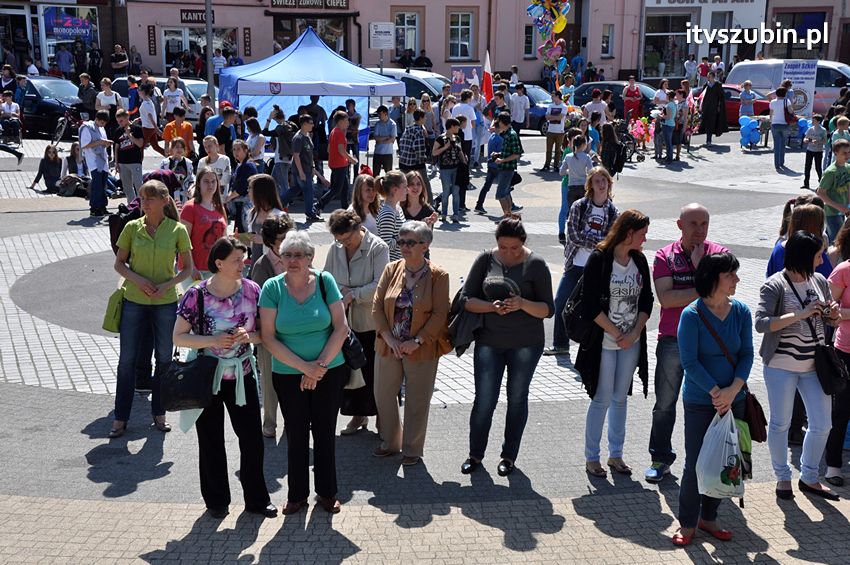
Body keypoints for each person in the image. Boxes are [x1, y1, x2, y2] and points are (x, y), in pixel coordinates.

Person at [172, 236, 276, 519]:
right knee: (210, 439)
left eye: (244, 259)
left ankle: (256, 499)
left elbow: (263, 336)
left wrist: (248, 337)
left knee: (252, 439)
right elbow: (178, 337)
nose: (244, 264)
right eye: (237, 260)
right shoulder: (197, 294)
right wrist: (212, 339)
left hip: (243, 375)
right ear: (218, 263)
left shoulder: (253, 290)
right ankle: (217, 501)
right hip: (209, 376)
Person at [259, 231, 349, 514]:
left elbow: (341, 328)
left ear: (310, 257)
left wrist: (317, 368)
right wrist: (305, 369)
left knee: (325, 432)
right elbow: (269, 337)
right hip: (288, 375)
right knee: (296, 434)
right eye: (287, 254)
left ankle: (327, 492)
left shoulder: (325, 281)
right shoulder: (272, 288)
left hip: (329, 371)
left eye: (299, 255)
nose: (293, 260)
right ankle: (296, 495)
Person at [460, 218, 553, 475]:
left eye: (514, 248)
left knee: (517, 399)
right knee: (484, 400)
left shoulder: (536, 264)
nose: (509, 253)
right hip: (489, 341)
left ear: (523, 243)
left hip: (526, 344)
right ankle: (475, 454)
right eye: (503, 247)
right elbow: (466, 299)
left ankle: (509, 456)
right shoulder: (485, 260)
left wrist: (522, 304)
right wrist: (492, 307)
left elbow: (548, 309)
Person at [645, 204, 729, 483]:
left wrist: (698, 267)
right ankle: (660, 458)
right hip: (673, 339)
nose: (699, 229)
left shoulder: (719, 254)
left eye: (704, 223)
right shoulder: (664, 256)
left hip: (710, 342)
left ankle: (708, 460)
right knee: (665, 402)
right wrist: (705, 287)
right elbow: (666, 299)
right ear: (679, 225)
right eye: (693, 223)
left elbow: (725, 295)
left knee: (711, 401)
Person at [755, 231, 841, 502]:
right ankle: (782, 477)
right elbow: (761, 323)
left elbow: (826, 321)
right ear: (804, 256)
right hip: (780, 364)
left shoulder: (819, 281)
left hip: (814, 365)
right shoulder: (774, 285)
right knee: (780, 423)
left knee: (822, 424)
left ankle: (809, 476)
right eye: (818, 255)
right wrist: (800, 314)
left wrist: (833, 317)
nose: (822, 260)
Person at [672, 252, 750, 546]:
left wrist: (733, 391)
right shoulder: (691, 315)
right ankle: (688, 523)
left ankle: (710, 517)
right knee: (696, 462)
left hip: (735, 398)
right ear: (713, 278)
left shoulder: (741, 311)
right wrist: (717, 393)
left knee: (726, 460)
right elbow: (689, 362)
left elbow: (746, 354)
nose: (737, 280)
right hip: (700, 400)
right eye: (731, 275)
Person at [109, 180, 192, 438]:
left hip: (165, 302)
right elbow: (119, 264)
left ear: (164, 201)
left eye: (150, 198)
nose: (144, 203)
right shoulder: (132, 228)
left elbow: (188, 268)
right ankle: (120, 417)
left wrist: (169, 284)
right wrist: (138, 280)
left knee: (164, 360)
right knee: (127, 361)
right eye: (142, 198)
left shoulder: (177, 230)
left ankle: (160, 412)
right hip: (134, 300)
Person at [574, 210, 653, 478]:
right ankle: (591, 457)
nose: (645, 238)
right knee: (602, 397)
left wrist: (634, 333)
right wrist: (617, 332)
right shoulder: (600, 259)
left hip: (632, 342)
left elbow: (647, 301)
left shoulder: (639, 261)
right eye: (642, 233)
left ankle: (616, 454)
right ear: (628, 232)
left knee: (621, 398)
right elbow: (589, 305)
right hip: (605, 341)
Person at [372, 220, 451, 465]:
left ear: (425, 246)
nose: (404, 246)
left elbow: (440, 314)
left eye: (410, 242)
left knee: (417, 400)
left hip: (422, 348)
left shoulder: (439, 275)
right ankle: (391, 441)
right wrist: (388, 337)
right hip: (389, 344)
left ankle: (412, 449)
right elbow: (377, 307)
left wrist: (417, 341)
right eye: (401, 241)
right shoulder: (391, 269)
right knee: (383, 395)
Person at [325, 210, 389, 434]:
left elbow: (381, 284)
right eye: (339, 239)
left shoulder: (378, 247)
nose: (344, 243)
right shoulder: (336, 248)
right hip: (344, 320)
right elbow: (327, 277)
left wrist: (353, 294)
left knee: (374, 373)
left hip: (370, 322)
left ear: (358, 228)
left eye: (348, 238)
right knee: (350, 371)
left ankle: (384, 419)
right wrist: (337, 294)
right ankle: (357, 416)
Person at [547, 167, 619, 357]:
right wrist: (597, 242)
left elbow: (611, 240)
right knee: (561, 301)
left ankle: (592, 345)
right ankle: (561, 344)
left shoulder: (612, 211)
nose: (601, 184)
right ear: (590, 185)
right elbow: (573, 236)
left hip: (598, 267)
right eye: (597, 181)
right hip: (576, 264)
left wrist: (592, 240)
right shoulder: (580, 206)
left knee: (596, 307)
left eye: (604, 181)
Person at [249, 215, 295, 438]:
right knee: (269, 380)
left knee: (292, 380)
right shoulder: (262, 265)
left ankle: (292, 419)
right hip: (270, 334)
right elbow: (256, 306)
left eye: (290, 237)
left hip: (295, 333)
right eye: (282, 239)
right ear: (270, 242)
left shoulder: (298, 258)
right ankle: (269, 422)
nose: (287, 242)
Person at [825, 236, 850, 486]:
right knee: (841, 410)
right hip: (846, 350)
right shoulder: (843, 270)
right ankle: (833, 465)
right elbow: (829, 311)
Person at [180, 168, 228, 283]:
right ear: (198, 184)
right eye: (206, 181)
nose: (210, 185)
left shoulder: (220, 208)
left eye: (213, 181)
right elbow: (183, 241)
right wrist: (191, 267)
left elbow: (224, 239)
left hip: (214, 268)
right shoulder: (190, 207)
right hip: (192, 269)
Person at [280, 114, 329, 223]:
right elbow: (296, 156)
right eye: (311, 123)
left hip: (307, 169)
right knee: (309, 190)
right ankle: (310, 213)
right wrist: (301, 172)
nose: (313, 125)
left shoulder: (307, 136)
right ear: (304, 124)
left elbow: (309, 155)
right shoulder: (298, 138)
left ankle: (278, 204)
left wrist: (313, 168)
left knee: (296, 189)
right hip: (301, 170)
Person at [766, 202, 832, 278]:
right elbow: (828, 281)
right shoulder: (815, 253)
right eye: (821, 225)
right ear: (816, 227)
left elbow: (769, 276)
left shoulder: (778, 248)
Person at [318, 110, 357, 212]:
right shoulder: (339, 133)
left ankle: (345, 208)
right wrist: (351, 159)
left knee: (344, 188)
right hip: (339, 165)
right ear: (341, 121)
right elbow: (341, 150)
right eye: (347, 121)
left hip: (337, 164)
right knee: (336, 189)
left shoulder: (333, 131)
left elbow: (329, 149)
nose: (348, 123)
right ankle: (319, 204)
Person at [816, 138, 850, 242]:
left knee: (831, 238)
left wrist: (847, 205)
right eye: (844, 153)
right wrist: (840, 207)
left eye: (849, 152)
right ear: (835, 152)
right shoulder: (831, 171)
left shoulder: (848, 167)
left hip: (843, 210)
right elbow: (820, 193)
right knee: (836, 241)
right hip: (831, 212)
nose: (847, 155)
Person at [79, 110, 111, 217]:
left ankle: (102, 207)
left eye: (104, 123)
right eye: (102, 122)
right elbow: (84, 145)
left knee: (103, 185)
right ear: (97, 119)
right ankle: (94, 208)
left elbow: (103, 142)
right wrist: (100, 142)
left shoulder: (102, 129)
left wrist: (106, 144)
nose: (103, 125)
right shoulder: (87, 128)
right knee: (97, 186)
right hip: (94, 161)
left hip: (103, 160)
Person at [432, 117, 465, 223]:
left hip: (456, 168)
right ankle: (444, 213)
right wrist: (445, 147)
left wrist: (464, 162)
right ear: (452, 127)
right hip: (445, 169)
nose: (459, 128)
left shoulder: (457, 138)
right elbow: (434, 152)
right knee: (446, 191)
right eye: (457, 126)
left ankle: (455, 214)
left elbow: (460, 151)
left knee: (456, 191)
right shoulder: (440, 138)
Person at [247, 174, 285, 261]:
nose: (248, 191)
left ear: (260, 192)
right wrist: (240, 238)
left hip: (273, 266)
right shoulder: (252, 213)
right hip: (255, 265)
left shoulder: (279, 216)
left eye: (250, 188)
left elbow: (286, 242)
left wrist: (264, 240)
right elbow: (252, 240)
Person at [263, 105, 297, 200]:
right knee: (273, 181)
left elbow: (265, 132)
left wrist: (269, 119)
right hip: (285, 158)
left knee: (283, 184)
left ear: (275, 116)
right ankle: (277, 200)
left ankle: (285, 204)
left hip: (281, 159)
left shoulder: (281, 128)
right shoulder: (291, 125)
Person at [473, 120, 505, 216]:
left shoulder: (491, 137)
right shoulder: (499, 139)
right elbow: (500, 153)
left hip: (490, 165)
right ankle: (510, 206)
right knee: (504, 186)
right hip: (497, 166)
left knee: (486, 186)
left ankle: (479, 204)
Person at [112, 109, 145, 201]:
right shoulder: (118, 131)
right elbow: (116, 147)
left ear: (127, 118)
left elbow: (140, 144)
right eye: (118, 121)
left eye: (121, 121)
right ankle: (131, 205)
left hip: (135, 160)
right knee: (127, 187)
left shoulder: (137, 129)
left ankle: (142, 206)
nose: (120, 123)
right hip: (123, 162)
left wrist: (129, 135)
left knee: (138, 185)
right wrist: (116, 162)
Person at [225, 139, 257, 233]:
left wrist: (228, 198)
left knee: (244, 232)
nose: (235, 152)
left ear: (245, 150)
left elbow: (241, 187)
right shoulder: (241, 165)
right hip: (240, 203)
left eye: (238, 149)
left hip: (245, 203)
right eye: (234, 149)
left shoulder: (247, 166)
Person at [375, 170, 407, 261]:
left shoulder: (397, 208)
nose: (407, 190)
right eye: (404, 187)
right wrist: (405, 236)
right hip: (391, 265)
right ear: (394, 189)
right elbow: (386, 245)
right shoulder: (388, 213)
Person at [560, 134, 593, 210]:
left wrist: (569, 171)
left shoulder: (568, 156)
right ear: (583, 145)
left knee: (572, 211)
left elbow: (561, 172)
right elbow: (590, 172)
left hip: (571, 186)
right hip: (583, 186)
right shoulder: (586, 157)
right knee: (583, 211)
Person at [541, 91, 568, 172]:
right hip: (550, 131)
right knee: (548, 150)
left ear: (557, 96)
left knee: (557, 150)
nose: (552, 98)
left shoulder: (564, 106)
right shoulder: (550, 106)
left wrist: (552, 117)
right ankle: (547, 165)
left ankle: (556, 165)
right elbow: (546, 117)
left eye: (553, 96)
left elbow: (560, 117)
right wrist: (555, 117)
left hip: (560, 131)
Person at [699, 72, 727, 146]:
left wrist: (719, 106)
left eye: (709, 77)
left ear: (713, 77)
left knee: (711, 124)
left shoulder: (718, 85)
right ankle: (708, 140)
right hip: (706, 108)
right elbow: (702, 97)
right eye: (707, 77)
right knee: (706, 123)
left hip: (714, 108)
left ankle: (709, 140)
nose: (708, 78)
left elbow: (721, 97)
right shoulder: (706, 85)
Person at [138, 83, 165, 157]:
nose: (138, 92)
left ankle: (138, 163)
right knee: (155, 146)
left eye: (139, 90)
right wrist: (139, 118)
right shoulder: (148, 101)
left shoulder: (146, 103)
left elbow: (150, 116)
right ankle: (168, 156)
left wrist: (157, 129)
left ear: (143, 92)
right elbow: (148, 114)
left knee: (141, 147)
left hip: (147, 128)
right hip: (150, 127)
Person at [769, 86, 792, 171]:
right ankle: (782, 162)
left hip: (775, 124)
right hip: (785, 124)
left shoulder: (772, 102)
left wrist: (771, 121)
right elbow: (790, 111)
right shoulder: (787, 101)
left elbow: (771, 113)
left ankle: (777, 164)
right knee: (783, 144)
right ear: (785, 94)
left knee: (776, 145)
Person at [372, 105, 397, 175]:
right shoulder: (377, 124)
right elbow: (376, 138)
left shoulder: (393, 124)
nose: (378, 116)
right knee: (375, 174)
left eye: (380, 114)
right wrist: (386, 137)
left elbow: (392, 140)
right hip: (377, 153)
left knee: (389, 175)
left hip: (388, 153)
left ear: (385, 113)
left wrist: (381, 140)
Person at [662, 90, 678, 164]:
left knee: (668, 143)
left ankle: (669, 159)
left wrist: (660, 116)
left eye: (666, 95)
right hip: (671, 124)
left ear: (669, 96)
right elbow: (674, 115)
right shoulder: (674, 104)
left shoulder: (669, 105)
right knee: (669, 142)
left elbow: (668, 117)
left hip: (667, 125)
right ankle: (669, 156)